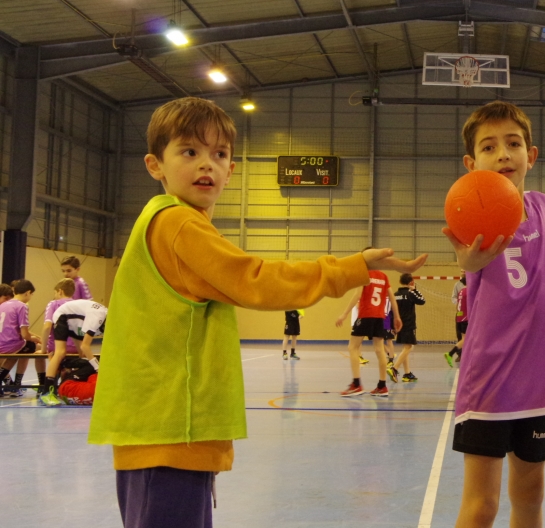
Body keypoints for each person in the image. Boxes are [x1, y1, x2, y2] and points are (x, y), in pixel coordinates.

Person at [86, 97, 425, 528]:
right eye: (190, 151)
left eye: (219, 154)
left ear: (232, 169)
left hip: (161, 427)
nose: (206, 164)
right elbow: (257, 280)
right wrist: (354, 266)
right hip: (170, 429)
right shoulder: (178, 223)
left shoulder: (169, 220)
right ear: (156, 165)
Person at [441, 100, 545, 528]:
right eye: (489, 146)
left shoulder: (544, 206)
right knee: (482, 505)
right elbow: (469, 262)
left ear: (530, 156)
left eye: (513, 143)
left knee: (531, 496)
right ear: (471, 163)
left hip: (539, 378)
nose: (503, 154)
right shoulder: (472, 214)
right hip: (492, 378)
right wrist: (470, 264)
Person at [336, 259, 403, 396]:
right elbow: (392, 298)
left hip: (366, 315)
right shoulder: (384, 276)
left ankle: (356, 384)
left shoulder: (364, 275)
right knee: (379, 350)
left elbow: (357, 295)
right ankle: (382, 386)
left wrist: (344, 314)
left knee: (352, 347)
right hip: (379, 317)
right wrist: (397, 317)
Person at [39, 299, 108, 406]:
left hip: (76, 322)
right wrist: (98, 368)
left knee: (83, 355)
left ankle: (67, 373)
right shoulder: (98, 317)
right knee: (60, 352)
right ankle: (46, 392)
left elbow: (84, 349)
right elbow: (85, 346)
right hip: (63, 316)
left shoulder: (105, 317)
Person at [0, 280, 41, 398]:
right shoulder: (22, 306)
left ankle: (13, 385)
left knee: (19, 352)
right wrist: (35, 339)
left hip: (3, 343)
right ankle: (44, 385)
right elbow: (24, 335)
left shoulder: (3, 305)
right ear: (28, 293)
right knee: (41, 348)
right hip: (11, 344)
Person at [393, 273, 425, 382]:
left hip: (399, 325)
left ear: (400, 282)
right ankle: (394, 368)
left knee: (405, 348)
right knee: (409, 347)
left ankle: (407, 373)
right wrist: (415, 290)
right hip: (409, 324)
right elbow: (422, 300)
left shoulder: (395, 294)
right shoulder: (410, 293)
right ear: (411, 282)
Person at [41, 279, 77, 358]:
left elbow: (47, 327)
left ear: (60, 291)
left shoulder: (54, 304)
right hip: (76, 347)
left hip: (56, 347)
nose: (54, 296)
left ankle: (51, 370)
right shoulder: (78, 305)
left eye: (55, 293)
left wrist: (43, 349)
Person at [445, 274, 468, 367]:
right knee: (466, 339)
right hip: (466, 318)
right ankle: (450, 353)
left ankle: (464, 356)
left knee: (464, 339)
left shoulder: (461, 291)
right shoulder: (469, 291)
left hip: (459, 318)